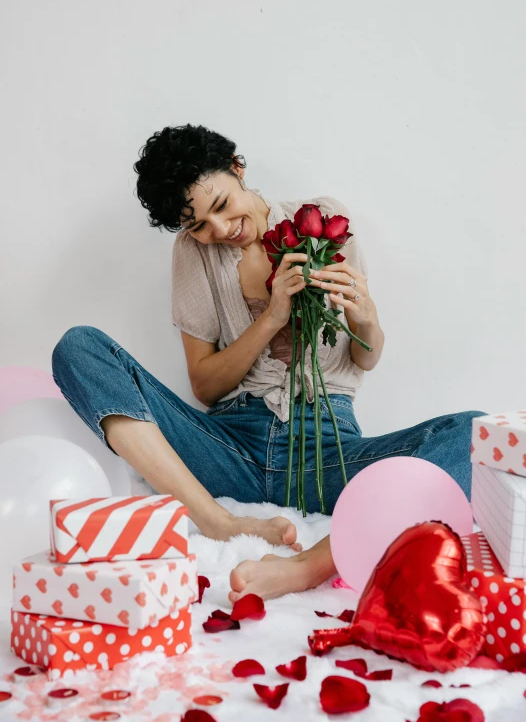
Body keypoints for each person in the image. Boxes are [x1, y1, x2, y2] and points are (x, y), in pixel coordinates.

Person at [51, 123, 484, 599]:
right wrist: (272, 317)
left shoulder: (323, 219)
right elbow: (206, 386)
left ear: (237, 169)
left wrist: (367, 321)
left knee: (476, 433)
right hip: (231, 448)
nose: (219, 230)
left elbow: (363, 358)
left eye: (220, 205)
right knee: (78, 347)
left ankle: (309, 565)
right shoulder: (193, 254)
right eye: (197, 224)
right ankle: (218, 521)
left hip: (327, 455)